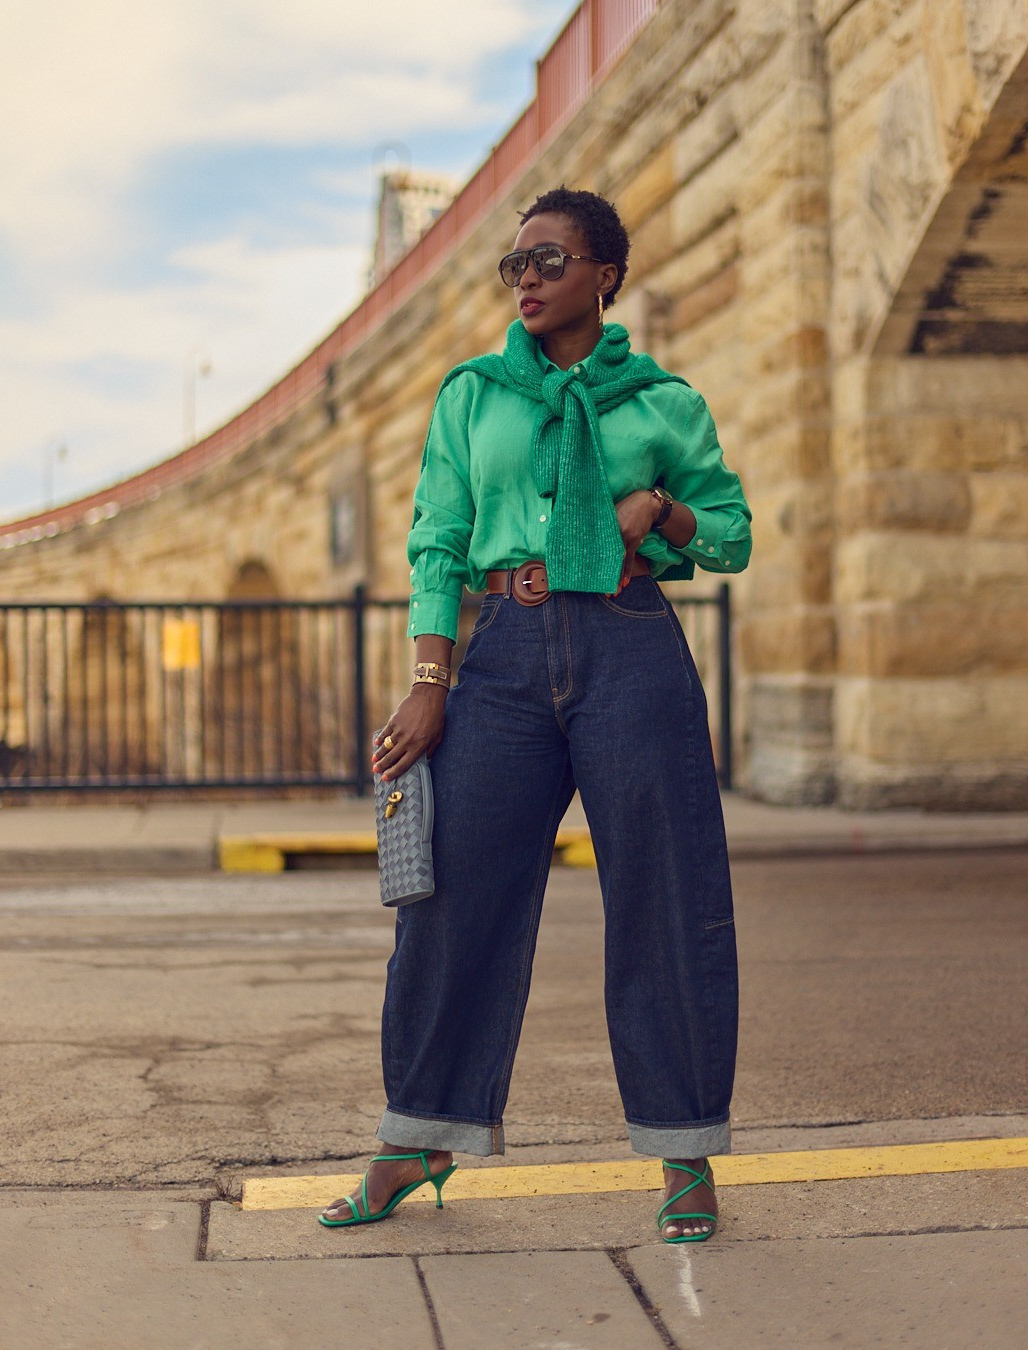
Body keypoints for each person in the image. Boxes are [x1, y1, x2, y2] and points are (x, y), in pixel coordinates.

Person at [320, 186, 751, 1243]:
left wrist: (658, 511)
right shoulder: (471, 396)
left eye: (549, 261)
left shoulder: (664, 401)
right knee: (453, 894)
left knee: (666, 888)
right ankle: (417, 1135)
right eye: (515, 265)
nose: (526, 279)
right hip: (505, 657)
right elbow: (436, 541)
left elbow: (732, 534)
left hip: (629, 643)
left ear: (606, 274)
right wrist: (431, 682)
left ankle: (684, 1152)